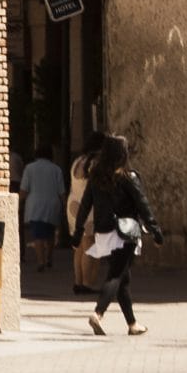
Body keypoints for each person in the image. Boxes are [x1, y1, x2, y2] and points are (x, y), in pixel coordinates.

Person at [71, 134, 162, 337]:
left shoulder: (95, 176)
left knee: (123, 278)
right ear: (123, 153)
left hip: (104, 232)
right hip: (125, 232)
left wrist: (78, 233)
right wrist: (155, 230)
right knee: (115, 276)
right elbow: (143, 205)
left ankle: (132, 323)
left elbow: (86, 205)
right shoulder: (128, 177)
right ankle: (98, 313)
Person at [67, 132, 104, 295]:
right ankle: (88, 283)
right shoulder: (95, 163)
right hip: (88, 206)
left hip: (73, 205)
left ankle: (78, 281)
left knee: (80, 246)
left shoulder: (77, 161)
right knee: (90, 244)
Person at [19, 145, 67, 271]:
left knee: (37, 235)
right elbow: (61, 191)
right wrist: (64, 204)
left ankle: (41, 261)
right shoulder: (56, 169)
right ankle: (49, 258)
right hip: (52, 205)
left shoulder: (29, 168)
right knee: (50, 233)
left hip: (35, 206)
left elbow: (24, 189)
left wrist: (19, 202)